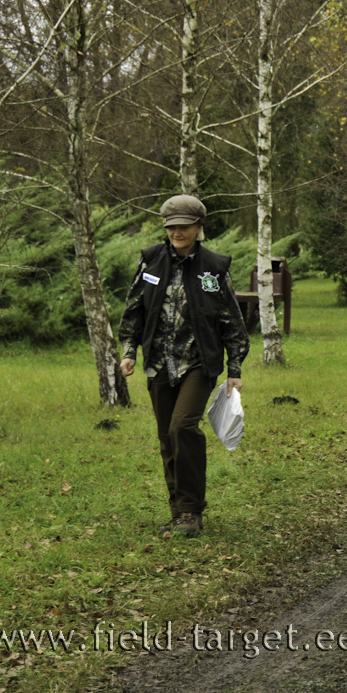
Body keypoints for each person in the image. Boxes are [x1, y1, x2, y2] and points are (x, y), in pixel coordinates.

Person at [119, 195, 249, 539]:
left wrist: (234, 368)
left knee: (182, 428)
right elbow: (134, 310)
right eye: (172, 226)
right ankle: (179, 512)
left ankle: (191, 510)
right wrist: (130, 351)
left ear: (198, 228)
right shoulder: (151, 262)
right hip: (159, 364)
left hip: (198, 363)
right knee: (166, 436)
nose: (177, 232)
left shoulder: (212, 269)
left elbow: (232, 322)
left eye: (184, 226)